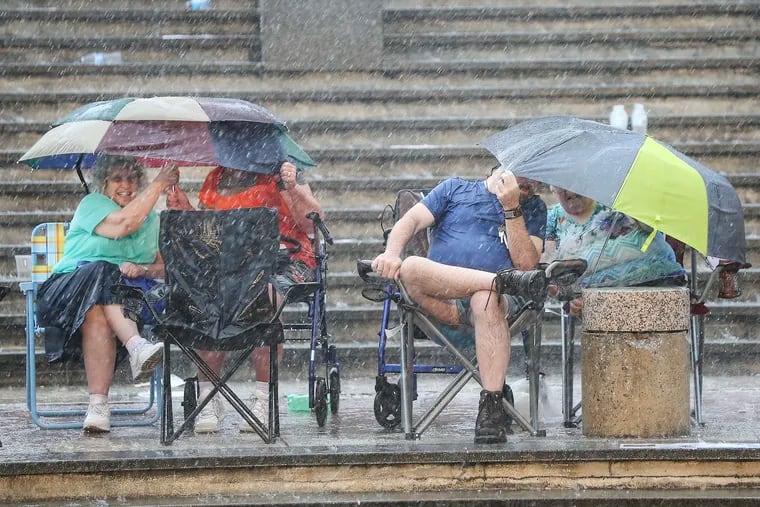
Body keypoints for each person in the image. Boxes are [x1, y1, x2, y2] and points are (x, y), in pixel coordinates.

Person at [371, 168, 546, 444]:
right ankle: (498, 281)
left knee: (483, 299)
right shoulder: (455, 189)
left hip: (496, 312)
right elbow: (411, 220)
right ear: (501, 169)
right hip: (441, 307)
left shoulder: (532, 207)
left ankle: (491, 407)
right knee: (411, 267)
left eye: (536, 183)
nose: (533, 186)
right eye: (526, 179)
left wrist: (512, 208)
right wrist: (391, 253)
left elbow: (526, 265)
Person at [166, 161, 323, 433]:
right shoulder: (215, 179)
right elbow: (207, 233)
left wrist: (292, 188)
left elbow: (312, 224)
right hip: (229, 262)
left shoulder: (282, 173)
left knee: (266, 296)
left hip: (286, 258)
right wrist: (185, 210)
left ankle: (262, 398)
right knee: (205, 297)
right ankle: (208, 395)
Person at [35, 155, 179, 433]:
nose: (125, 185)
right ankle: (137, 347)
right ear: (103, 184)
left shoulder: (152, 219)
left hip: (119, 302)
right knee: (102, 269)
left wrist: (143, 268)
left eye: (131, 178)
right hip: (66, 293)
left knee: (99, 311)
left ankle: (98, 406)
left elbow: (163, 268)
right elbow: (124, 225)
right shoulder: (93, 204)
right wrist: (160, 182)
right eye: (117, 178)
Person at [544, 186, 687, 315]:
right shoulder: (554, 217)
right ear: (553, 190)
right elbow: (550, 261)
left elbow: (651, 226)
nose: (570, 191)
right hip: (596, 294)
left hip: (652, 278)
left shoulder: (615, 198)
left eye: (575, 183)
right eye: (562, 187)